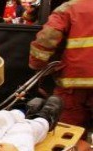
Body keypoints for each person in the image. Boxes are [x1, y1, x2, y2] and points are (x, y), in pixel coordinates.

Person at [29, 0, 93, 134]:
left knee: (67, 131)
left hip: (74, 83)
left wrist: (37, 64)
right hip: (75, 82)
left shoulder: (70, 8)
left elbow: (46, 39)